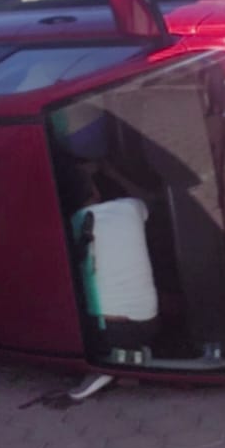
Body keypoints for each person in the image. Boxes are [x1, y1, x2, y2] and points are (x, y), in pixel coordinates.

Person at [65, 163, 159, 401]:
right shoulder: (130, 207)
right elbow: (149, 198)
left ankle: (109, 365)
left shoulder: (72, 224)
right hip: (150, 322)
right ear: (95, 190)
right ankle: (131, 358)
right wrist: (110, 170)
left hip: (111, 333)